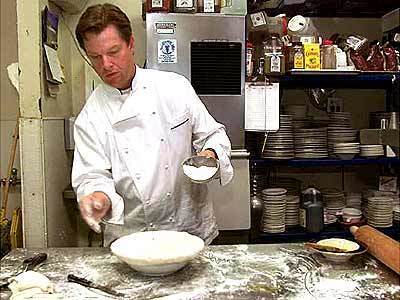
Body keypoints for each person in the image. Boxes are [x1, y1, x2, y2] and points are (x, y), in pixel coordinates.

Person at [72, 3, 234, 246]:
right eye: (95, 57)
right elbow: (91, 175)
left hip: (188, 230)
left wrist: (210, 154)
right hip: (132, 239)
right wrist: (97, 196)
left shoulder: (174, 87)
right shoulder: (91, 116)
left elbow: (213, 135)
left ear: (131, 44)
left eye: (113, 52)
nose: (105, 65)